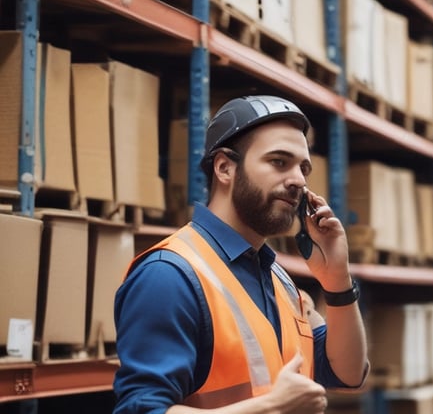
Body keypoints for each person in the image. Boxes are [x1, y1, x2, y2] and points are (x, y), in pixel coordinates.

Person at [113, 95, 368, 413]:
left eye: (304, 168)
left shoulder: (278, 279)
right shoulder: (169, 275)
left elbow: (349, 374)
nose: (299, 180)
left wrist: (336, 280)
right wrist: (272, 407)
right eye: (279, 161)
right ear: (224, 168)